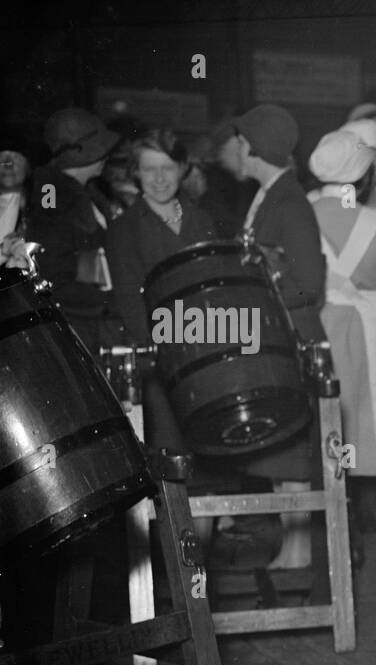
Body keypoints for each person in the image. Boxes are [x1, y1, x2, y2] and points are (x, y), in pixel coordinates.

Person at [105, 129, 221, 525]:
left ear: (183, 168)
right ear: (135, 174)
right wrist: (160, 348)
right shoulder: (123, 229)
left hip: (205, 359)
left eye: (167, 168)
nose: (158, 178)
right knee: (172, 466)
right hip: (161, 363)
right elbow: (129, 301)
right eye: (148, 169)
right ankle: (178, 573)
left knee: (207, 467)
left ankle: (201, 572)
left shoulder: (202, 219)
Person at [230, 103, 327, 570]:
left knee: (293, 457)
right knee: (283, 456)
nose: (235, 149)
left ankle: (299, 550)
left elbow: (310, 281)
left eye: (240, 140)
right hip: (276, 337)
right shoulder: (271, 194)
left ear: (252, 147)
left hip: (292, 337)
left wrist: (264, 282)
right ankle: (293, 548)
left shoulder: (289, 201)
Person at [307, 130, 376, 564]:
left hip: (318, 329)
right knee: (364, 425)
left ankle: (339, 531)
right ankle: (362, 521)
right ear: (363, 175)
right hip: (366, 333)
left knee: (328, 429)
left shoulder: (302, 214)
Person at [25, 108, 120, 351]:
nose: (106, 156)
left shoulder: (84, 191)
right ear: (81, 152)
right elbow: (49, 261)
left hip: (92, 319)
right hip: (76, 323)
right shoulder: (52, 191)